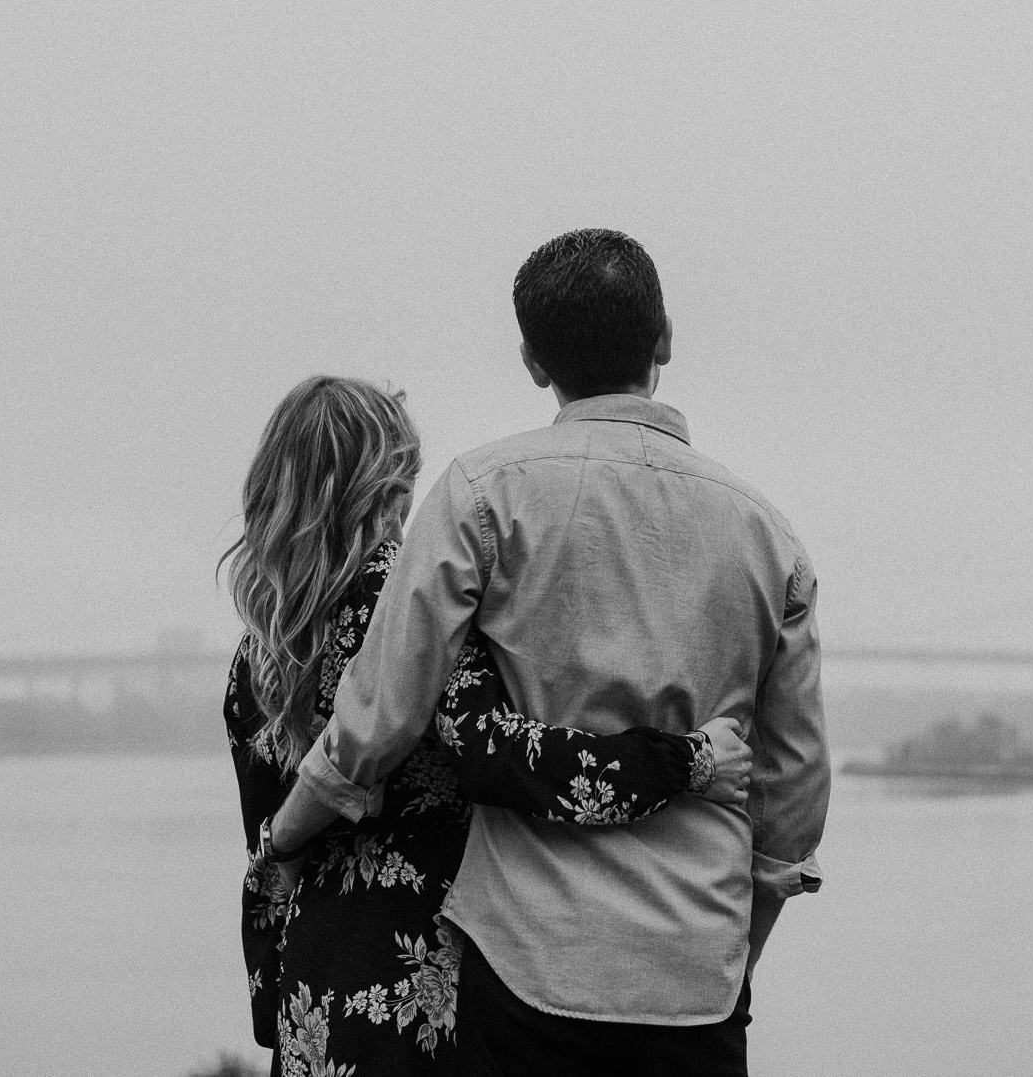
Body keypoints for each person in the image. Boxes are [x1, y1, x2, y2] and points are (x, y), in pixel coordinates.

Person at [269, 229, 831, 1076]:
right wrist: (730, 960)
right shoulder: (767, 536)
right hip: (696, 982)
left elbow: (381, 714)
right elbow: (790, 798)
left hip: (524, 965)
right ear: (665, 337)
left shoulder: (480, 496)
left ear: (532, 360)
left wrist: (286, 829)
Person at [222, 376, 754, 1076]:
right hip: (425, 984)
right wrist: (687, 761)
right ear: (387, 484)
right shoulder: (409, 605)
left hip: (313, 991)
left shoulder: (257, 658)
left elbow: (271, 857)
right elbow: (505, 757)